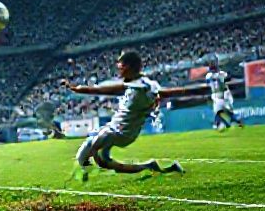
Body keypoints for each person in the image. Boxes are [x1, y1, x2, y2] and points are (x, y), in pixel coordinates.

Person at [63, 50, 185, 178]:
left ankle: (91, 171)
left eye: (120, 65)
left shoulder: (145, 87)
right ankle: (150, 166)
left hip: (123, 132)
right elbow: (100, 90)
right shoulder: (131, 84)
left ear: (128, 67)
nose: (118, 68)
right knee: (84, 155)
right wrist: (75, 88)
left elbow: (161, 94)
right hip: (114, 127)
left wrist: (159, 100)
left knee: (99, 157)